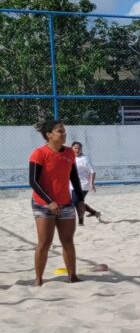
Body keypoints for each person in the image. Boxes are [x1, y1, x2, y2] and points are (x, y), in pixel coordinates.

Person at [29, 119, 85, 286]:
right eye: (60, 131)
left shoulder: (69, 153)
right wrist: (49, 201)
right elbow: (33, 181)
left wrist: (80, 200)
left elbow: (74, 177)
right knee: (44, 242)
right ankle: (38, 279)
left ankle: (72, 276)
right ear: (49, 135)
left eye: (64, 130)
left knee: (68, 241)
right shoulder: (39, 153)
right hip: (43, 204)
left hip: (65, 203)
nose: (64, 133)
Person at [70, 141, 101, 224]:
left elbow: (92, 171)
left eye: (79, 148)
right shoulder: (70, 157)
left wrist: (91, 184)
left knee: (77, 202)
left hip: (83, 185)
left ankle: (81, 222)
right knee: (78, 202)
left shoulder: (84, 159)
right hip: (72, 185)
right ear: (72, 148)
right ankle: (94, 213)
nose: (77, 150)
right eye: (75, 148)